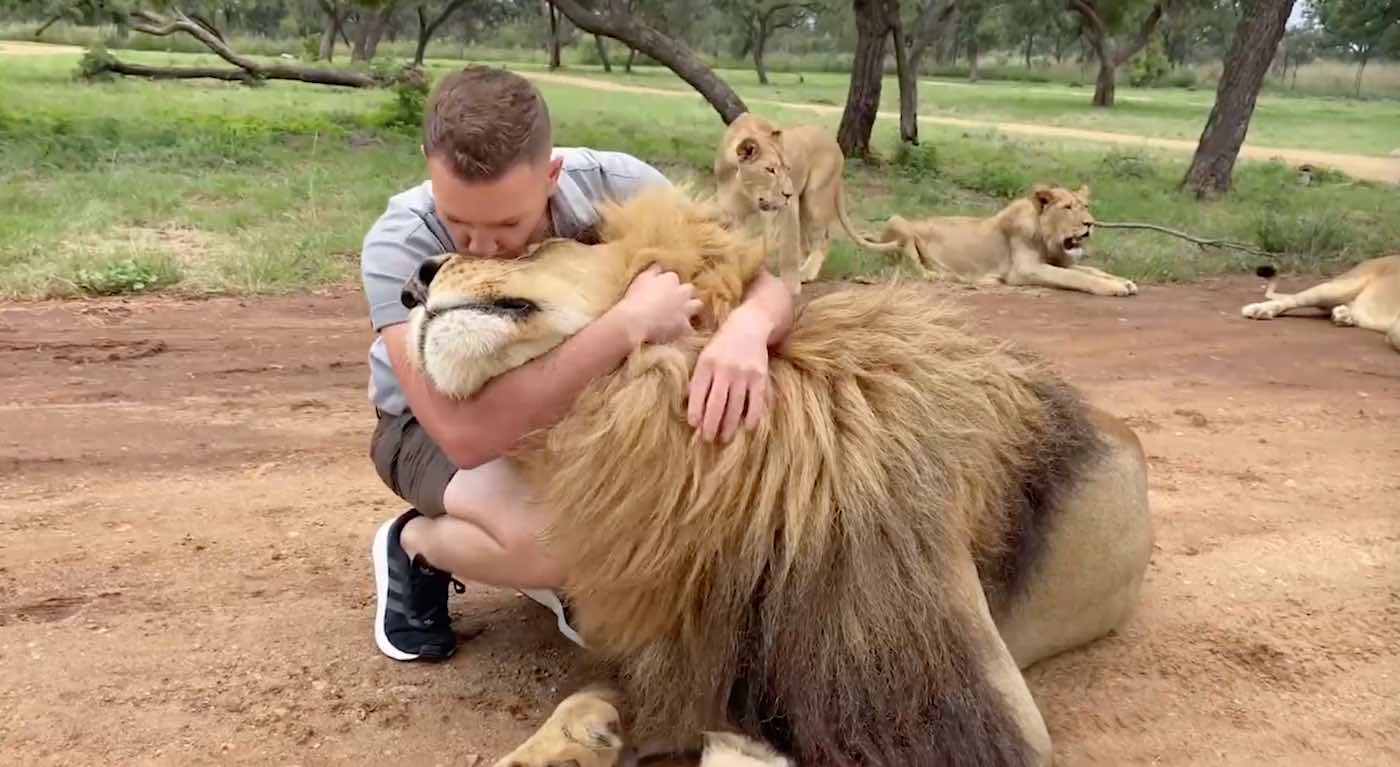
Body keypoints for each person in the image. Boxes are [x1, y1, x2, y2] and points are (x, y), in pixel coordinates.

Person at [359, 65, 795, 662]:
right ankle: (415, 545)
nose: (482, 249)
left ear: (551, 175)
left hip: (573, 407)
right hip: (432, 423)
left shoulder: (617, 183)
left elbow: (759, 283)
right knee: (557, 541)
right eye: (458, 226)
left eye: (509, 225)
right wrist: (628, 324)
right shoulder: (397, 241)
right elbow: (466, 436)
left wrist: (747, 329)